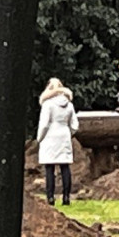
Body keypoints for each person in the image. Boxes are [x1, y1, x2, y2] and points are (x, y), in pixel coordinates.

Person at [36, 78, 79, 206]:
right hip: (64, 136)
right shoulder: (69, 105)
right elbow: (75, 125)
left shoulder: (47, 104)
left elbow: (44, 124)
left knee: (49, 168)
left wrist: (39, 138)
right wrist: (68, 133)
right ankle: (66, 197)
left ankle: (50, 197)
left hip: (50, 136)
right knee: (65, 167)